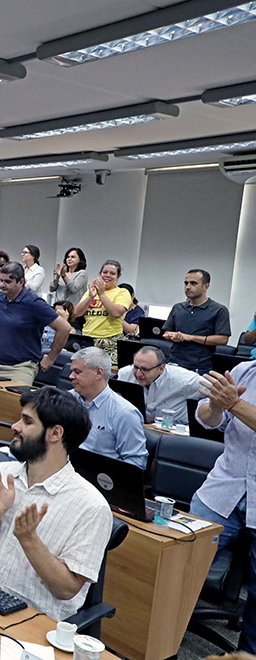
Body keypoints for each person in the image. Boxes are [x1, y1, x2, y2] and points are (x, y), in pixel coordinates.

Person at [0, 387, 112, 622]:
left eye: (27, 421)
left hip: (29, 620)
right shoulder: (1, 475)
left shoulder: (91, 507)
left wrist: (29, 539)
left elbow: (67, 590)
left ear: (55, 434)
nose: (15, 427)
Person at [189, 362, 256, 653]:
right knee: (174, 562)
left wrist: (234, 403)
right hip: (222, 490)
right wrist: (216, 407)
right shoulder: (245, 370)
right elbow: (206, 417)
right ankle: (154, 635)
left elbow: (234, 405)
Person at [0, 262, 70, 386]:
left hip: (21, 368)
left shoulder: (34, 303)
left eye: (7, 282)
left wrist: (51, 358)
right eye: (1, 280)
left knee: (14, 403)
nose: (2, 285)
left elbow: (64, 328)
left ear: (21, 282)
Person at [68, 347, 148, 469]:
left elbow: (136, 463)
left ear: (99, 373)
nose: (71, 376)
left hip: (98, 479)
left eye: (77, 372)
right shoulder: (66, 400)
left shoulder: (124, 413)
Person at [162, 269, 232, 374]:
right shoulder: (178, 307)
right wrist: (171, 336)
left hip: (199, 368)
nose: (188, 287)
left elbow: (222, 339)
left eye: (193, 283)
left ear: (206, 286)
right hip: (173, 363)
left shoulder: (219, 310)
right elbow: (166, 333)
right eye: (186, 283)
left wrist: (190, 337)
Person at [116, 345, 200, 424]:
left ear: (161, 369)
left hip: (173, 433)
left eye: (144, 369)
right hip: (138, 426)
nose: (138, 374)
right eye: (136, 367)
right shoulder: (125, 374)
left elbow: (212, 390)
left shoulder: (184, 380)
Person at [72, 260, 131, 363]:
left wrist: (102, 294)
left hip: (109, 340)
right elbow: (77, 313)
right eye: (105, 272)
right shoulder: (91, 291)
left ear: (118, 276)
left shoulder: (122, 292)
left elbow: (116, 313)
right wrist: (90, 297)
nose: (107, 275)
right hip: (87, 339)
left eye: (112, 273)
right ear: (100, 274)